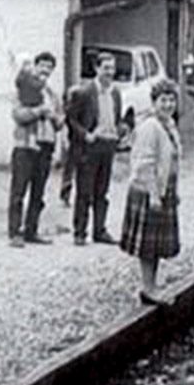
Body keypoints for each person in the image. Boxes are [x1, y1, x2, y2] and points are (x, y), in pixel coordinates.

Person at [120, 82, 182, 305]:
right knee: (148, 244)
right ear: (154, 102)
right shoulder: (150, 127)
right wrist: (154, 195)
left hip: (164, 188)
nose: (168, 105)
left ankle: (151, 285)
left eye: (171, 100)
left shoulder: (170, 124)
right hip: (148, 190)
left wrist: (174, 191)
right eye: (163, 100)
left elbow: (171, 161)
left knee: (156, 245)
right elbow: (144, 165)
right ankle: (148, 288)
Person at [64, 51, 125, 246]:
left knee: (102, 191)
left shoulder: (115, 92)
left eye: (112, 68)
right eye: (106, 68)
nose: (110, 72)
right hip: (90, 146)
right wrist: (86, 135)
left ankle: (100, 230)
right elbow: (71, 119)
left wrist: (121, 131)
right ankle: (80, 232)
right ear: (96, 68)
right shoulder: (84, 92)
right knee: (85, 191)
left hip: (108, 145)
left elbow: (118, 118)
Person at [6, 52, 59, 247]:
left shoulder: (52, 93)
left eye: (49, 67)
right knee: (19, 191)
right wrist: (38, 112)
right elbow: (18, 114)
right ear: (34, 67)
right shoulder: (22, 87)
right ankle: (15, 232)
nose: (45, 70)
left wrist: (54, 117)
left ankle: (32, 230)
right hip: (24, 145)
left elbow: (60, 121)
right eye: (42, 66)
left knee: (38, 192)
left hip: (46, 145)